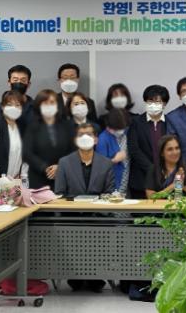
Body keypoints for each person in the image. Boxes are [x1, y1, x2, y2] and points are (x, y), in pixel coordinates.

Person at [54, 123, 113, 293]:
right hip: (72, 218)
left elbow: (109, 194)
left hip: (98, 218)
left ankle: (95, 276)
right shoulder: (64, 162)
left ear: (96, 139)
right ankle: (76, 276)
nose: (85, 137)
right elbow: (59, 194)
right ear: (75, 140)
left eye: (89, 134)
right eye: (81, 134)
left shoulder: (106, 163)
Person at [23, 89, 75, 190]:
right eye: (45, 103)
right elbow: (27, 153)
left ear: (58, 105)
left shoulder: (67, 125)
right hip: (38, 178)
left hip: (64, 176)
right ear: (39, 105)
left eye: (52, 102)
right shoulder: (32, 126)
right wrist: (45, 168)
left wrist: (60, 166)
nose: (49, 106)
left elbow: (73, 150)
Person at [128, 85, 170, 199]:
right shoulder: (136, 122)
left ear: (164, 103)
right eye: (150, 101)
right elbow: (134, 149)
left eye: (157, 101)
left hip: (166, 179)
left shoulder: (170, 122)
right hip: (140, 180)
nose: (153, 105)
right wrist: (152, 169)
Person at [145, 134, 186, 199]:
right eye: (170, 149)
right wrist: (173, 186)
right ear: (162, 153)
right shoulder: (154, 170)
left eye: (177, 148)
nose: (175, 152)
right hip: (161, 205)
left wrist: (183, 187)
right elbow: (151, 197)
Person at [0, 65, 35, 133]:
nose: (19, 83)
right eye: (15, 80)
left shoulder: (37, 108)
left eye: (23, 80)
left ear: (28, 84)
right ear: (9, 82)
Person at [96, 108, 130, 194]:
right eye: (115, 129)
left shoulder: (127, 133)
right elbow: (99, 166)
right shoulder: (103, 138)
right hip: (113, 183)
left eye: (121, 128)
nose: (119, 131)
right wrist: (114, 160)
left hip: (127, 180)